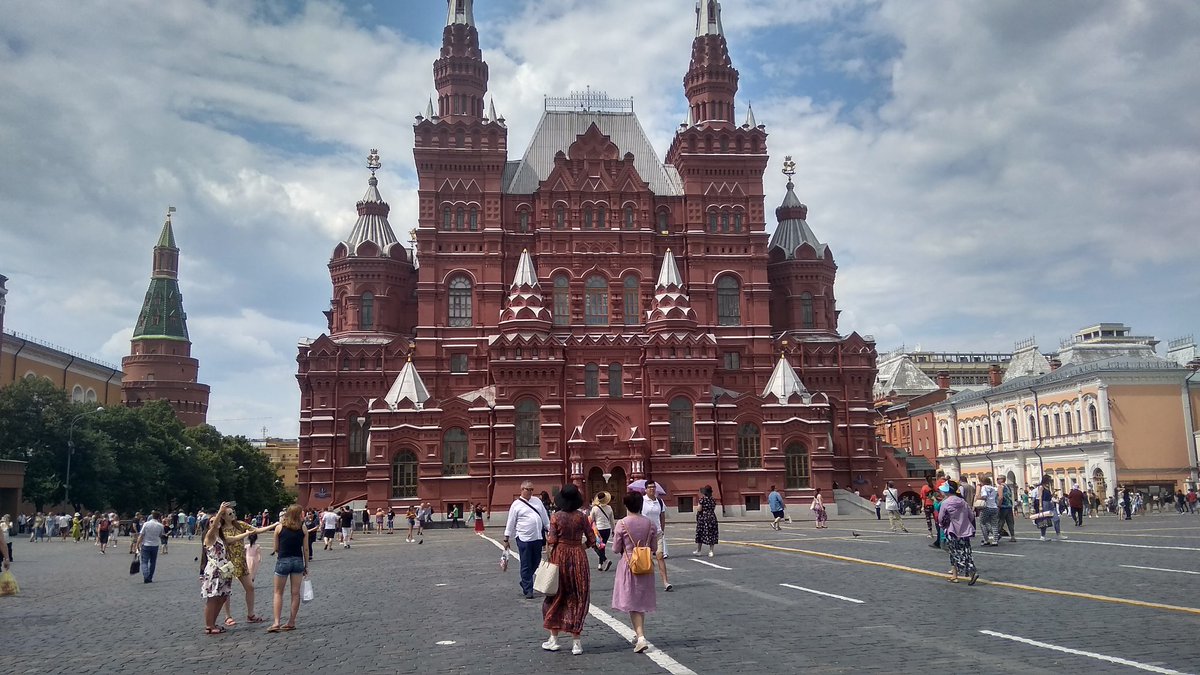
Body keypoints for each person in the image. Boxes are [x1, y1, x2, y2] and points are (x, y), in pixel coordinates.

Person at [540, 485, 599, 655]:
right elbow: (592, 540)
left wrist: (551, 557)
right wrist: (580, 547)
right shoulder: (582, 517)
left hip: (560, 557)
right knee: (578, 596)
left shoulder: (556, 517)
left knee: (556, 596)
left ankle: (554, 639)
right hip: (579, 557)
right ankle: (576, 642)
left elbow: (551, 541)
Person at [200, 503, 259, 635]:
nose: (214, 522)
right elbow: (214, 526)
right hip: (214, 572)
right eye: (211, 521)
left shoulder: (221, 537)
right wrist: (220, 511)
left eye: (215, 520)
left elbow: (237, 537)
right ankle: (209, 625)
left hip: (224, 570)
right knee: (212, 599)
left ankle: (214, 622)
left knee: (222, 597)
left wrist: (249, 533)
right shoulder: (209, 536)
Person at [611, 491, 657, 653]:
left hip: (629, 565)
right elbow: (655, 548)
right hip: (645, 565)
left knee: (632, 602)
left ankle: (641, 637)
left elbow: (616, 549)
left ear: (626, 505)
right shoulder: (651, 524)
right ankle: (639, 635)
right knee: (640, 601)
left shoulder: (622, 524)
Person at [504, 481, 551, 599]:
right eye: (528, 489)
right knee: (526, 563)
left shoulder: (537, 501)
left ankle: (525, 580)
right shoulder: (516, 504)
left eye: (532, 489)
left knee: (536, 561)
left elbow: (545, 518)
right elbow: (511, 522)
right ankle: (528, 589)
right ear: (522, 489)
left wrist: (550, 530)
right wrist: (506, 538)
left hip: (537, 537)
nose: (530, 492)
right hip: (523, 538)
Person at [267, 504, 309, 633]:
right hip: (297, 561)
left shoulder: (279, 528)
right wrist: (306, 565)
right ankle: (291, 622)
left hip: (283, 560)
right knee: (295, 593)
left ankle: (276, 622)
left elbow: (276, 548)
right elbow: (306, 549)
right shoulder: (303, 528)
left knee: (278, 592)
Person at [938, 480, 978, 585]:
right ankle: (955, 575)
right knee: (966, 552)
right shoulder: (963, 502)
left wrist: (942, 526)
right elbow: (971, 516)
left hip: (952, 531)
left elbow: (941, 518)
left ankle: (971, 572)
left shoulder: (945, 503)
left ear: (947, 491)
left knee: (954, 553)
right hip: (965, 531)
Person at [641, 483, 672, 591]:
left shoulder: (659, 501)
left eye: (653, 487)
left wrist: (662, 530)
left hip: (657, 533)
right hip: (645, 534)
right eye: (650, 487)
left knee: (660, 556)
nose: (652, 489)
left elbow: (662, 516)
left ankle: (665, 582)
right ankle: (647, 583)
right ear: (645, 489)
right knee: (647, 559)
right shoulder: (642, 501)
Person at [136, 511, 165, 583]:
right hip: (155, 545)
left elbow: (141, 535)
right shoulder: (160, 525)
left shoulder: (146, 524)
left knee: (144, 561)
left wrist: (137, 544)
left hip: (146, 544)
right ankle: (150, 577)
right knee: (153, 562)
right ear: (158, 517)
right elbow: (161, 535)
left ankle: (146, 576)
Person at [589, 492, 614, 571]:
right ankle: (600, 564)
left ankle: (605, 560)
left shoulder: (595, 508)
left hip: (598, 530)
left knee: (596, 546)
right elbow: (612, 520)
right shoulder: (609, 508)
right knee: (602, 546)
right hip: (607, 529)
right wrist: (613, 530)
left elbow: (591, 519)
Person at [693, 485, 719, 557]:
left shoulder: (702, 499)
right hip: (712, 517)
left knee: (700, 533)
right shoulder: (713, 499)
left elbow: (699, 509)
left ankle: (699, 550)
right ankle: (711, 551)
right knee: (712, 534)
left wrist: (698, 505)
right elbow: (713, 507)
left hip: (703, 518)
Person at [977, 476, 999, 545]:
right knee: (994, 524)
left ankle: (986, 539)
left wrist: (978, 497)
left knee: (982, 523)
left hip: (986, 507)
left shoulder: (984, 487)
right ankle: (995, 540)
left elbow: (984, 496)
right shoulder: (995, 488)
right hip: (994, 507)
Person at [997, 475, 1017, 543]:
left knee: (1000, 522)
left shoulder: (1000, 486)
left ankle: (996, 536)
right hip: (1009, 506)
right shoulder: (1008, 486)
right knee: (1010, 522)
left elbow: (1000, 497)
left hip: (1003, 507)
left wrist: (998, 506)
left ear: (1002, 479)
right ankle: (1013, 536)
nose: (997, 480)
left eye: (998, 479)